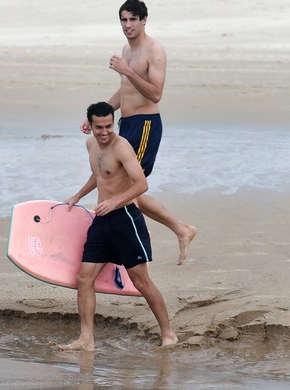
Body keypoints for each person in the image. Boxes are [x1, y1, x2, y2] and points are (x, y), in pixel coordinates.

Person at [80, 0, 196, 265]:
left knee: (132, 189)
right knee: (124, 188)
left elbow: (155, 93)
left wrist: (126, 70)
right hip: (126, 123)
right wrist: (100, 115)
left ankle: (180, 230)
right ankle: (178, 230)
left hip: (145, 125)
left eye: (133, 20)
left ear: (144, 21)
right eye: (123, 20)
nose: (128, 25)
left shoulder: (154, 50)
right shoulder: (126, 50)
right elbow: (126, 91)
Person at [58, 102, 178, 351]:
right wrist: (77, 196)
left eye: (109, 126)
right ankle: (86, 340)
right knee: (84, 278)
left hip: (125, 218)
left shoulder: (122, 147)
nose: (104, 132)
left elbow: (141, 184)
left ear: (114, 123)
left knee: (141, 281)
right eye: (99, 127)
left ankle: (168, 334)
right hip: (102, 220)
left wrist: (113, 202)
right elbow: (100, 174)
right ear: (89, 125)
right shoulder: (90, 144)